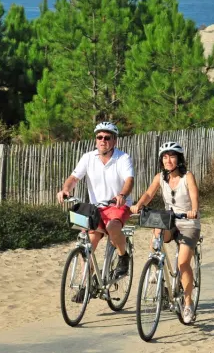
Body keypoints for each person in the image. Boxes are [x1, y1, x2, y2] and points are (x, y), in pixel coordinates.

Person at [130, 141, 201, 324]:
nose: (168, 161)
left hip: (188, 222)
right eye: (165, 157)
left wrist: (193, 210)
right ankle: (156, 265)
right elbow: (149, 194)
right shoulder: (160, 177)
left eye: (172, 157)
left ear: (179, 159)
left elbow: (194, 195)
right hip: (170, 219)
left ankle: (188, 304)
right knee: (157, 229)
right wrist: (139, 204)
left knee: (183, 263)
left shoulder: (187, 176)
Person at [57, 121, 134, 278]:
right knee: (87, 242)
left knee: (112, 227)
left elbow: (129, 180)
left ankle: (123, 257)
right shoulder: (88, 157)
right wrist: (66, 189)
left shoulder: (123, 158)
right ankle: (86, 282)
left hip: (117, 206)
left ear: (114, 140)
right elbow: (74, 178)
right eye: (99, 137)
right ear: (95, 140)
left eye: (107, 137)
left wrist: (122, 195)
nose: (103, 140)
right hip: (96, 208)